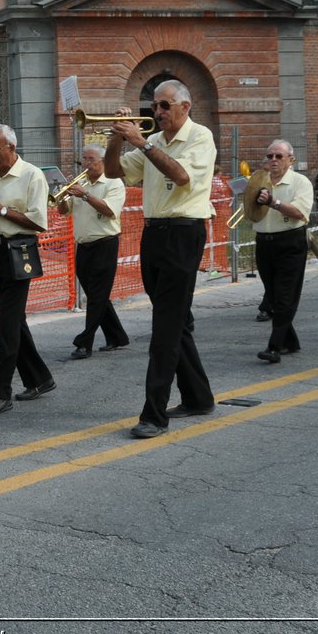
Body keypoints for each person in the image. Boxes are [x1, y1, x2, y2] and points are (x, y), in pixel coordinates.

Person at [105, 79, 218, 438]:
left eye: (166, 105)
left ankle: (154, 414)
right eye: (155, 106)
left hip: (184, 232)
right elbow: (113, 172)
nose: (158, 112)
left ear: (186, 107)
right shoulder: (153, 141)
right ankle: (198, 396)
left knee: (165, 329)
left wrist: (139, 141)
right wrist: (116, 138)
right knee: (175, 322)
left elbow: (182, 176)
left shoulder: (200, 137)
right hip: (155, 233)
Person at [0, 123, 54, 415]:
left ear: (11, 147)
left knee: (8, 323)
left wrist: (2, 210)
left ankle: (0, 390)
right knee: (13, 319)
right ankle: (40, 378)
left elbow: (39, 222)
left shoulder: (32, 175)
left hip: (19, 251)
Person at [59, 146, 131, 359]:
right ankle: (117, 336)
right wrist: (64, 194)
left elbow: (110, 211)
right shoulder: (81, 184)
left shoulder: (114, 182)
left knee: (96, 297)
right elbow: (63, 211)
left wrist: (86, 195)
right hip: (83, 246)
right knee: (96, 295)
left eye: (91, 159)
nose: (86, 164)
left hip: (105, 244)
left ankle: (84, 343)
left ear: (103, 162)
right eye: (84, 159)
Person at [250, 140, 315, 363]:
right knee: (275, 295)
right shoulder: (260, 181)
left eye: (279, 156)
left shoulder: (300, 182)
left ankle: (274, 347)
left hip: (290, 241)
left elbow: (300, 212)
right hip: (264, 242)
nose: (274, 161)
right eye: (270, 157)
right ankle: (290, 341)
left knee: (285, 295)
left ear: (291, 160)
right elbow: (249, 211)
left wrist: (273, 202)